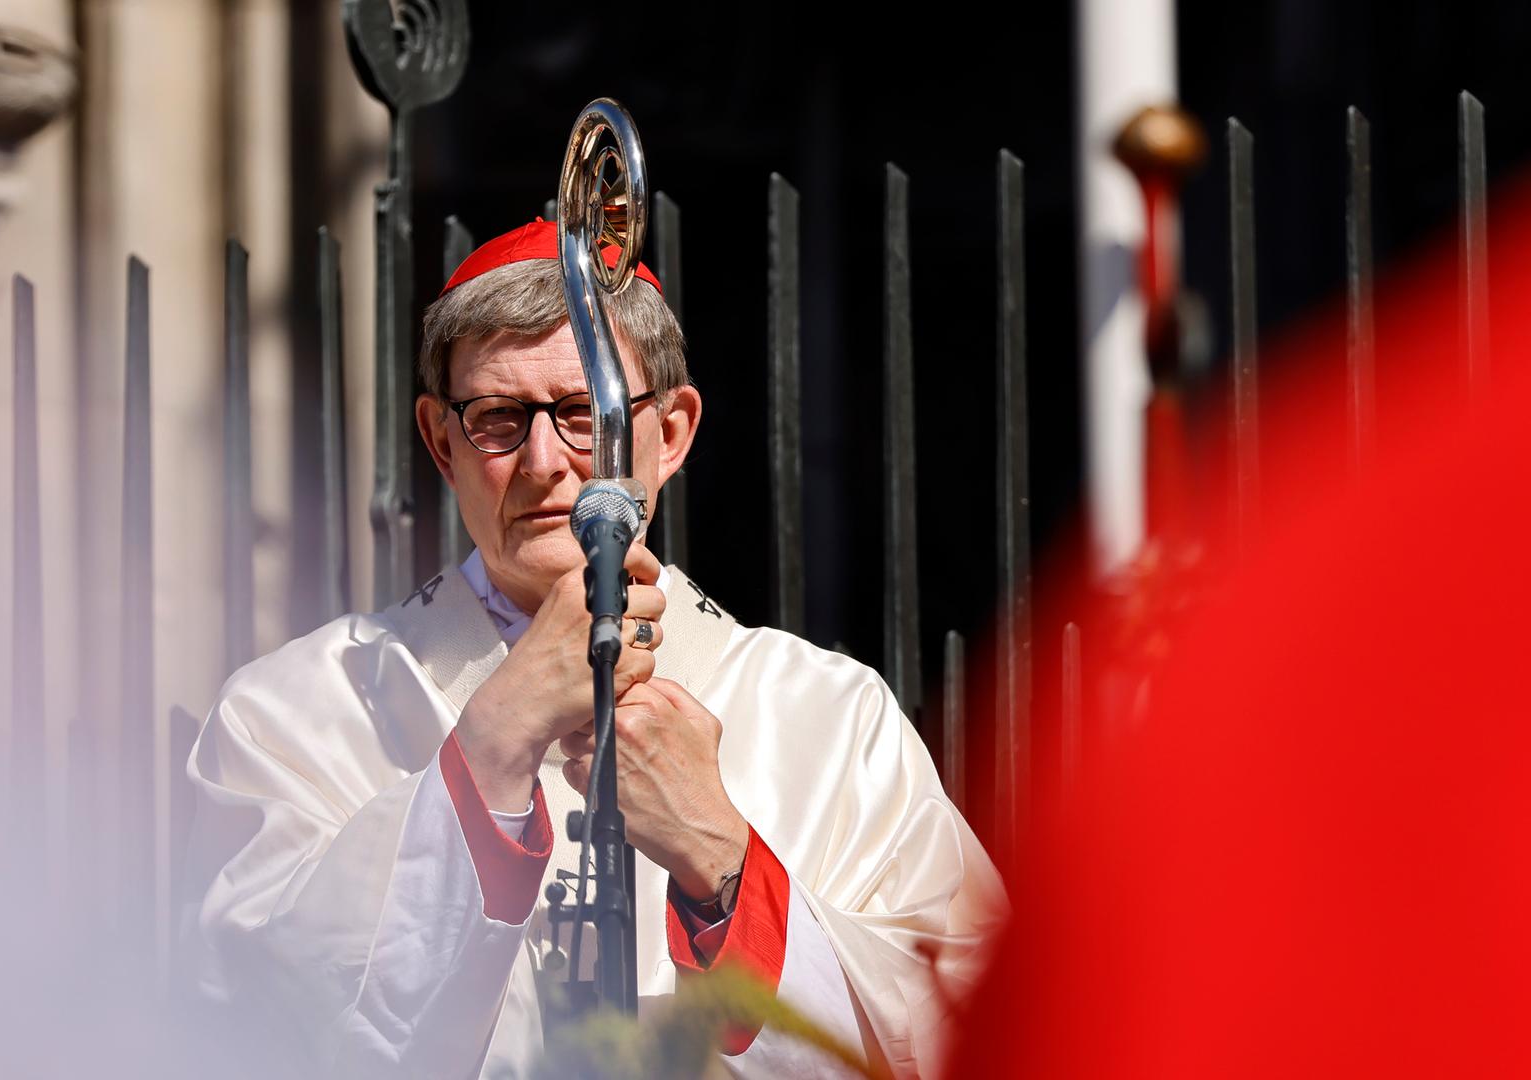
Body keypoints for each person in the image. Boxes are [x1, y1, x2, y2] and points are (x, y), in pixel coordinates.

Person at [183, 219, 1007, 1077]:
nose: (544, 462)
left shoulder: (834, 719)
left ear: (673, 432)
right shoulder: (293, 712)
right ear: (440, 441)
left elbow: (980, 1027)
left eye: (584, 414)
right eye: (497, 419)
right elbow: (241, 1025)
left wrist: (721, 858)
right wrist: (494, 740)